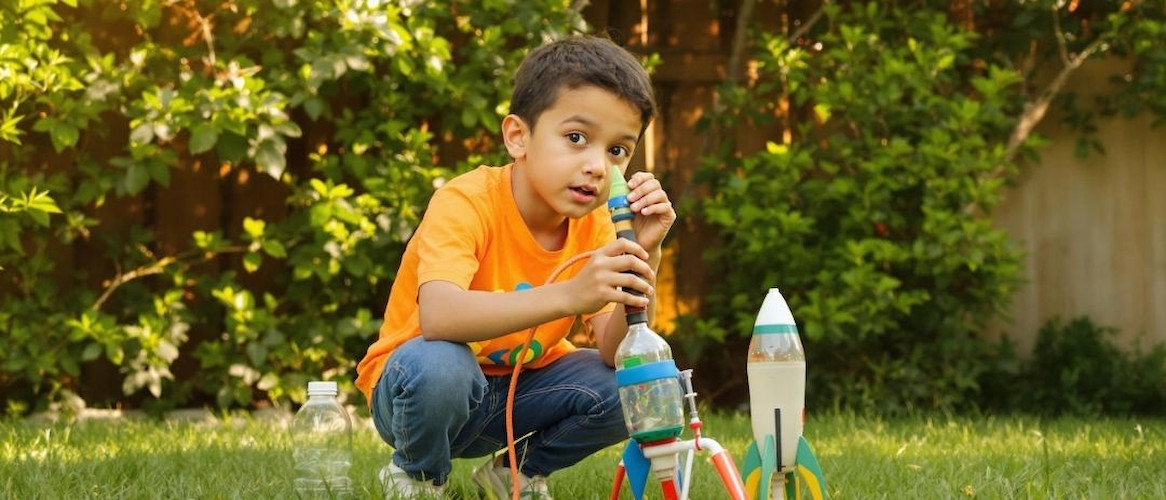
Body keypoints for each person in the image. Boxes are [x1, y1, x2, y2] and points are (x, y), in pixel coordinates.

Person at [354, 35, 675, 499]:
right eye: (577, 138)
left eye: (617, 151)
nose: (597, 166)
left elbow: (614, 353)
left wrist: (647, 254)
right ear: (517, 137)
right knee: (443, 363)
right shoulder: (467, 201)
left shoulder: (598, 224)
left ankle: (516, 472)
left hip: (521, 393)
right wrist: (568, 295)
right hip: (421, 390)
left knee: (639, 383)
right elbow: (439, 317)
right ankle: (418, 475)